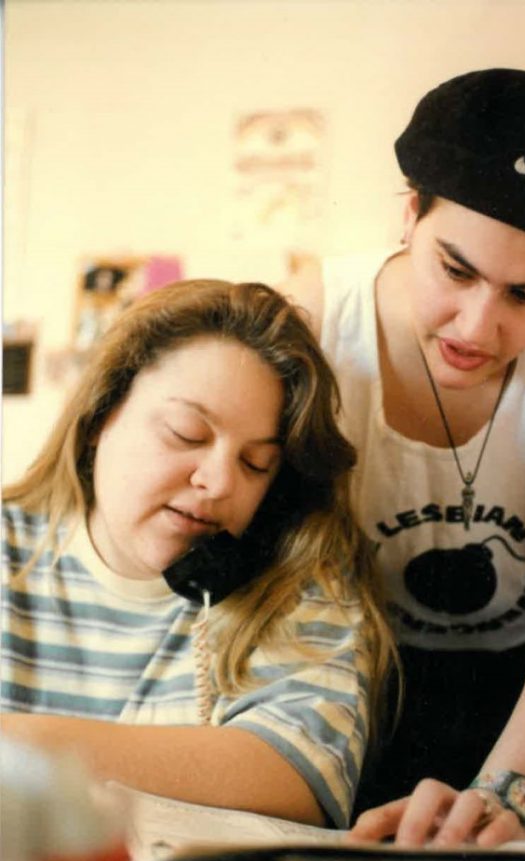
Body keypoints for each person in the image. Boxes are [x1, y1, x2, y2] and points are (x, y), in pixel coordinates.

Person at [281, 68, 525, 847]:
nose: (477, 326)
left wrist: (513, 792)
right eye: (455, 271)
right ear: (408, 215)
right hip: (365, 672)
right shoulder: (316, 312)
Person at [1, 279, 396, 830]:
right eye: (186, 434)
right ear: (99, 418)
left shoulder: (294, 578)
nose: (217, 482)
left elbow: (297, 776)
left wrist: (21, 743)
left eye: (256, 463)